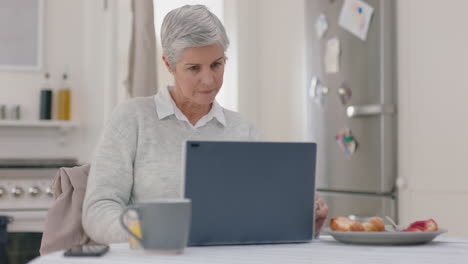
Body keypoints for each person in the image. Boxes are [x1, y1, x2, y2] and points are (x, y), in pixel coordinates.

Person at [82, 4, 328, 244]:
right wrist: (151, 233)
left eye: (216, 64)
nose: (208, 79)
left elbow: (261, 216)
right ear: (169, 64)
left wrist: (305, 224)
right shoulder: (131, 119)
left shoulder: (245, 131)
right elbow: (98, 210)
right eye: (194, 68)